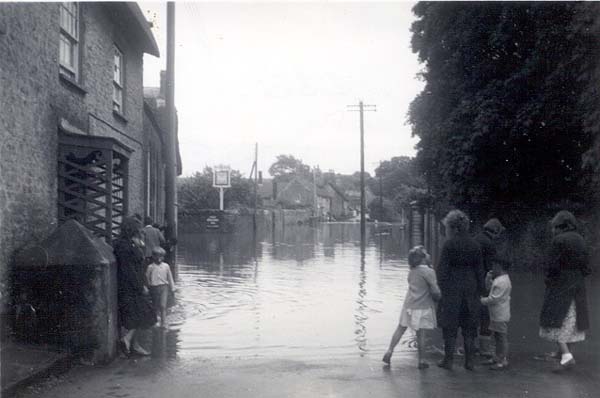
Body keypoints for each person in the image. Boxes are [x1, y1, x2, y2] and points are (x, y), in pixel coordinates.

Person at [539, 210, 591, 372]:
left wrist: (549, 281)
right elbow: (587, 268)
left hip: (561, 283)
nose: (553, 230)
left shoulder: (559, 240)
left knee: (556, 318)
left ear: (561, 226)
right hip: (578, 284)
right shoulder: (581, 240)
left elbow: (552, 266)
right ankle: (564, 353)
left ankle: (566, 356)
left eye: (555, 227)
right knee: (573, 318)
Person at [436, 210, 485, 371]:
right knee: (469, 329)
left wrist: (438, 290)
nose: (446, 231)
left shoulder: (449, 245)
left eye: (448, 227)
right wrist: (482, 290)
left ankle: (448, 361)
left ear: (454, 228)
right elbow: (480, 271)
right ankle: (469, 362)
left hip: (452, 291)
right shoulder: (475, 245)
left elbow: (442, 271)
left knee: (449, 329)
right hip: (471, 292)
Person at [383, 246, 441, 369]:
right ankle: (422, 360)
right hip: (423, 307)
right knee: (421, 334)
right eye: (427, 254)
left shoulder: (412, 271)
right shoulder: (429, 272)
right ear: (423, 259)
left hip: (408, 304)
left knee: (400, 328)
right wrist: (439, 297)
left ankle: (389, 351)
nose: (429, 255)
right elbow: (435, 291)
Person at [113, 217, 157, 356]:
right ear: (132, 229)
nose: (140, 230)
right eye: (138, 228)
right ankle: (128, 340)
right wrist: (140, 286)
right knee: (143, 314)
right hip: (130, 287)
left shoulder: (131, 243)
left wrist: (138, 245)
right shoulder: (124, 246)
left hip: (135, 285)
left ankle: (133, 343)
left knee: (141, 315)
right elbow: (129, 270)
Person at [473, 218, 506, 357]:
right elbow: (490, 267)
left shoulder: (475, 239)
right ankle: (484, 348)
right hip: (484, 283)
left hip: (471, 281)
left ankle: (471, 345)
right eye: (499, 233)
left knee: (473, 313)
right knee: (486, 315)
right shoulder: (489, 244)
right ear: (495, 231)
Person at [480, 258, 512, 370]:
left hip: (499, 313)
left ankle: (502, 360)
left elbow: (494, 298)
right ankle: (497, 357)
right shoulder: (500, 279)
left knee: (501, 336)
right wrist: (488, 278)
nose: (493, 268)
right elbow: (490, 289)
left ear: (499, 266)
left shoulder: (501, 281)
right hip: (496, 313)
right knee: (497, 336)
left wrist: (481, 300)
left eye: (494, 266)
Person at [146, 247, 177, 328]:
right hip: (154, 288)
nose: (159, 259)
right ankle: (156, 320)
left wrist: (173, 288)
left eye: (161, 256)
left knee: (163, 306)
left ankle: (163, 323)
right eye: (157, 256)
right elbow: (147, 278)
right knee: (155, 306)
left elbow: (170, 278)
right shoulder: (150, 267)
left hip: (164, 287)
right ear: (153, 257)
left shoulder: (166, 266)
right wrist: (148, 287)